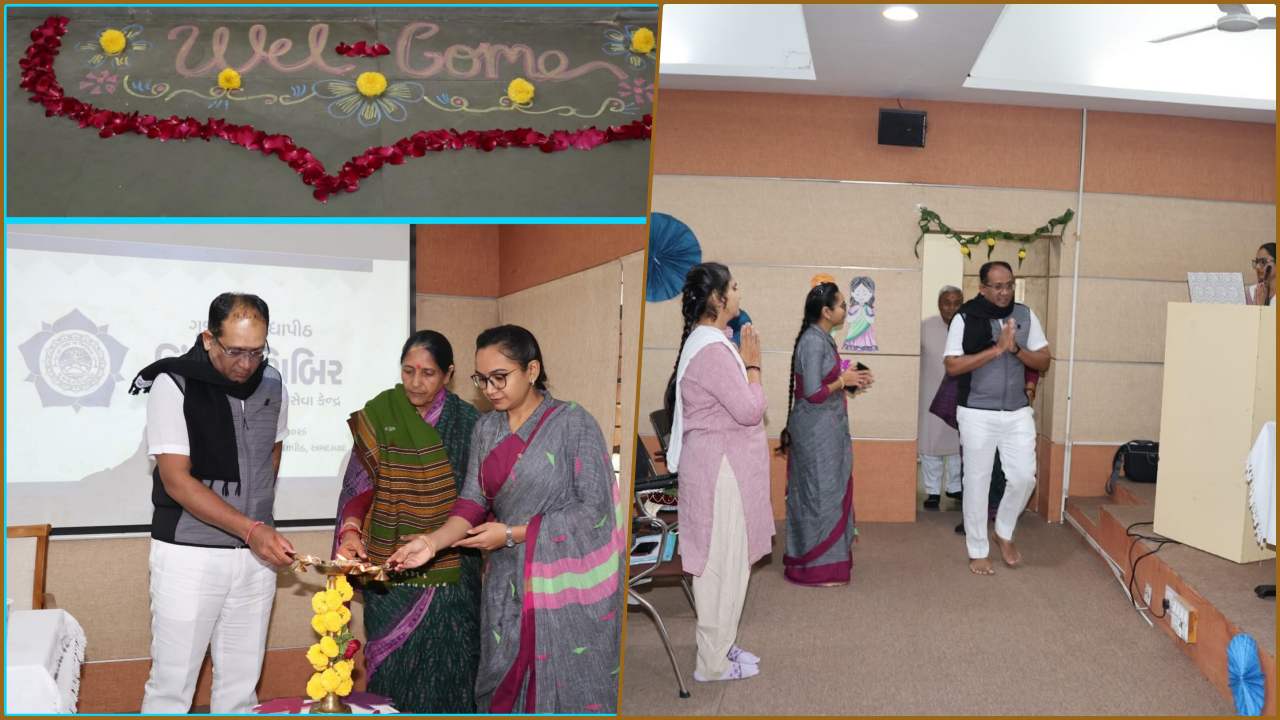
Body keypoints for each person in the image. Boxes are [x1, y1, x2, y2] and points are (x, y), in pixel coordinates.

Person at [385, 325, 622, 713]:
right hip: (506, 582)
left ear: (531, 370)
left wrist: (513, 533)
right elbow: (472, 502)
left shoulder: (573, 423)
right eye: (482, 379)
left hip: (561, 581)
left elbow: (595, 510)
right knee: (503, 683)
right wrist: (431, 543)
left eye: (500, 377)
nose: (490, 389)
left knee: (563, 686)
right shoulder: (487, 428)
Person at [129, 293, 294, 713]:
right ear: (208, 339)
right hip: (188, 556)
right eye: (235, 351)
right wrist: (250, 528)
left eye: (256, 351)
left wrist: (255, 522)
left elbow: (271, 454)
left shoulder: (273, 382)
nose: (246, 364)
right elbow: (177, 481)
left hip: (253, 560)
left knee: (240, 692)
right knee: (171, 690)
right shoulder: (173, 384)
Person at [333, 330, 481, 713]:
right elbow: (359, 487)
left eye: (428, 373)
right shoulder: (381, 413)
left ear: (448, 374)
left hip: (451, 572)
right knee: (392, 674)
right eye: (408, 370)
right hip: (391, 571)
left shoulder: (470, 423)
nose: (416, 382)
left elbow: (480, 497)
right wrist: (351, 530)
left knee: (451, 670)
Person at [664, 262, 773, 682]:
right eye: (735, 287)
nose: (740, 293)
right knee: (720, 567)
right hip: (719, 472)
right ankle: (711, 663)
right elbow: (748, 410)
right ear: (718, 298)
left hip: (718, 466)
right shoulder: (711, 350)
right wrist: (754, 367)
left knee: (727, 563)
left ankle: (721, 647)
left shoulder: (710, 342)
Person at [944, 262, 1051, 576]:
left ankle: (1003, 530)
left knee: (1024, 477)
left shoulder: (1025, 315)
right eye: (998, 286)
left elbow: (1043, 360)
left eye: (1009, 285)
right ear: (982, 288)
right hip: (976, 411)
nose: (1005, 292)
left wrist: (1015, 349)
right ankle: (978, 550)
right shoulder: (965, 317)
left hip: (1017, 411)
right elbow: (952, 366)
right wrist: (996, 349)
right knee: (977, 481)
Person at [779, 281, 873, 586]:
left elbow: (825, 381)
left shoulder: (822, 338)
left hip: (826, 429)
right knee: (819, 495)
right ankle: (816, 568)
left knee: (829, 492)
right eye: (842, 305)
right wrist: (843, 381)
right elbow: (814, 393)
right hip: (815, 431)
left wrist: (852, 378)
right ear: (826, 312)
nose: (846, 309)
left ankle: (830, 563)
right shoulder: (813, 341)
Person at [919, 286, 964, 511]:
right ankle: (933, 491)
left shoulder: (969, 327)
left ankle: (954, 487)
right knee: (930, 442)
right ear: (939, 304)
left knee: (957, 441)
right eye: (947, 302)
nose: (951, 308)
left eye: (957, 303)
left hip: (959, 393)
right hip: (929, 392)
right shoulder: (924, 327)